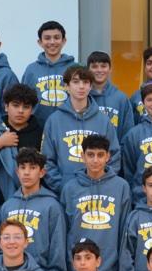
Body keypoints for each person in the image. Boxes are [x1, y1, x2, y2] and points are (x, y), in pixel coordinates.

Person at [61, 134, 131, 271]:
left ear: (108, 156)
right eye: (90, 155)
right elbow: (65, 232)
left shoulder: (121, 187)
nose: (95, 160)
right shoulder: (70, 188)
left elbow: (124, 233)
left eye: (100, 155)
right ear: (82, 156)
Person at [41, 65, 120, 195]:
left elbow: (114, 156)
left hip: (99, 192)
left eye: (85, 82)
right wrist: (62, 187)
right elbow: (47, 160)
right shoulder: (54, 121)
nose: (81, 86)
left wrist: (103, 183)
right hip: (66, 193)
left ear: (90, 86)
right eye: (76, 82)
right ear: (66, 86)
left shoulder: (103, 120)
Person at [0, 148, 67, 271]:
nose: (27, 172)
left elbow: (58, 245)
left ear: (42, 172)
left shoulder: (52, 205)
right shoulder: (8, 206)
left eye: (33, 167)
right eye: (23, 167)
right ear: (17, 172)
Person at [21, 20, 75, 124]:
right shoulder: (31, 70)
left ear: (64, 41)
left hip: (68, 126)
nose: (52, 42)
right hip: (38, 127)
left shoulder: (75, 68)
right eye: (47, 38)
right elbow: (24, 100)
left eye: (56, 37)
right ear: (40, 42)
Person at [87, 51, 134, 141]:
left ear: (110, 69)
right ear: (88, 70)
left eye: (103, 66)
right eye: (94, 67)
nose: (99, 70)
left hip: (114, 149)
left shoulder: (121, 98)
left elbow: (128, 131)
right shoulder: (83, 97)